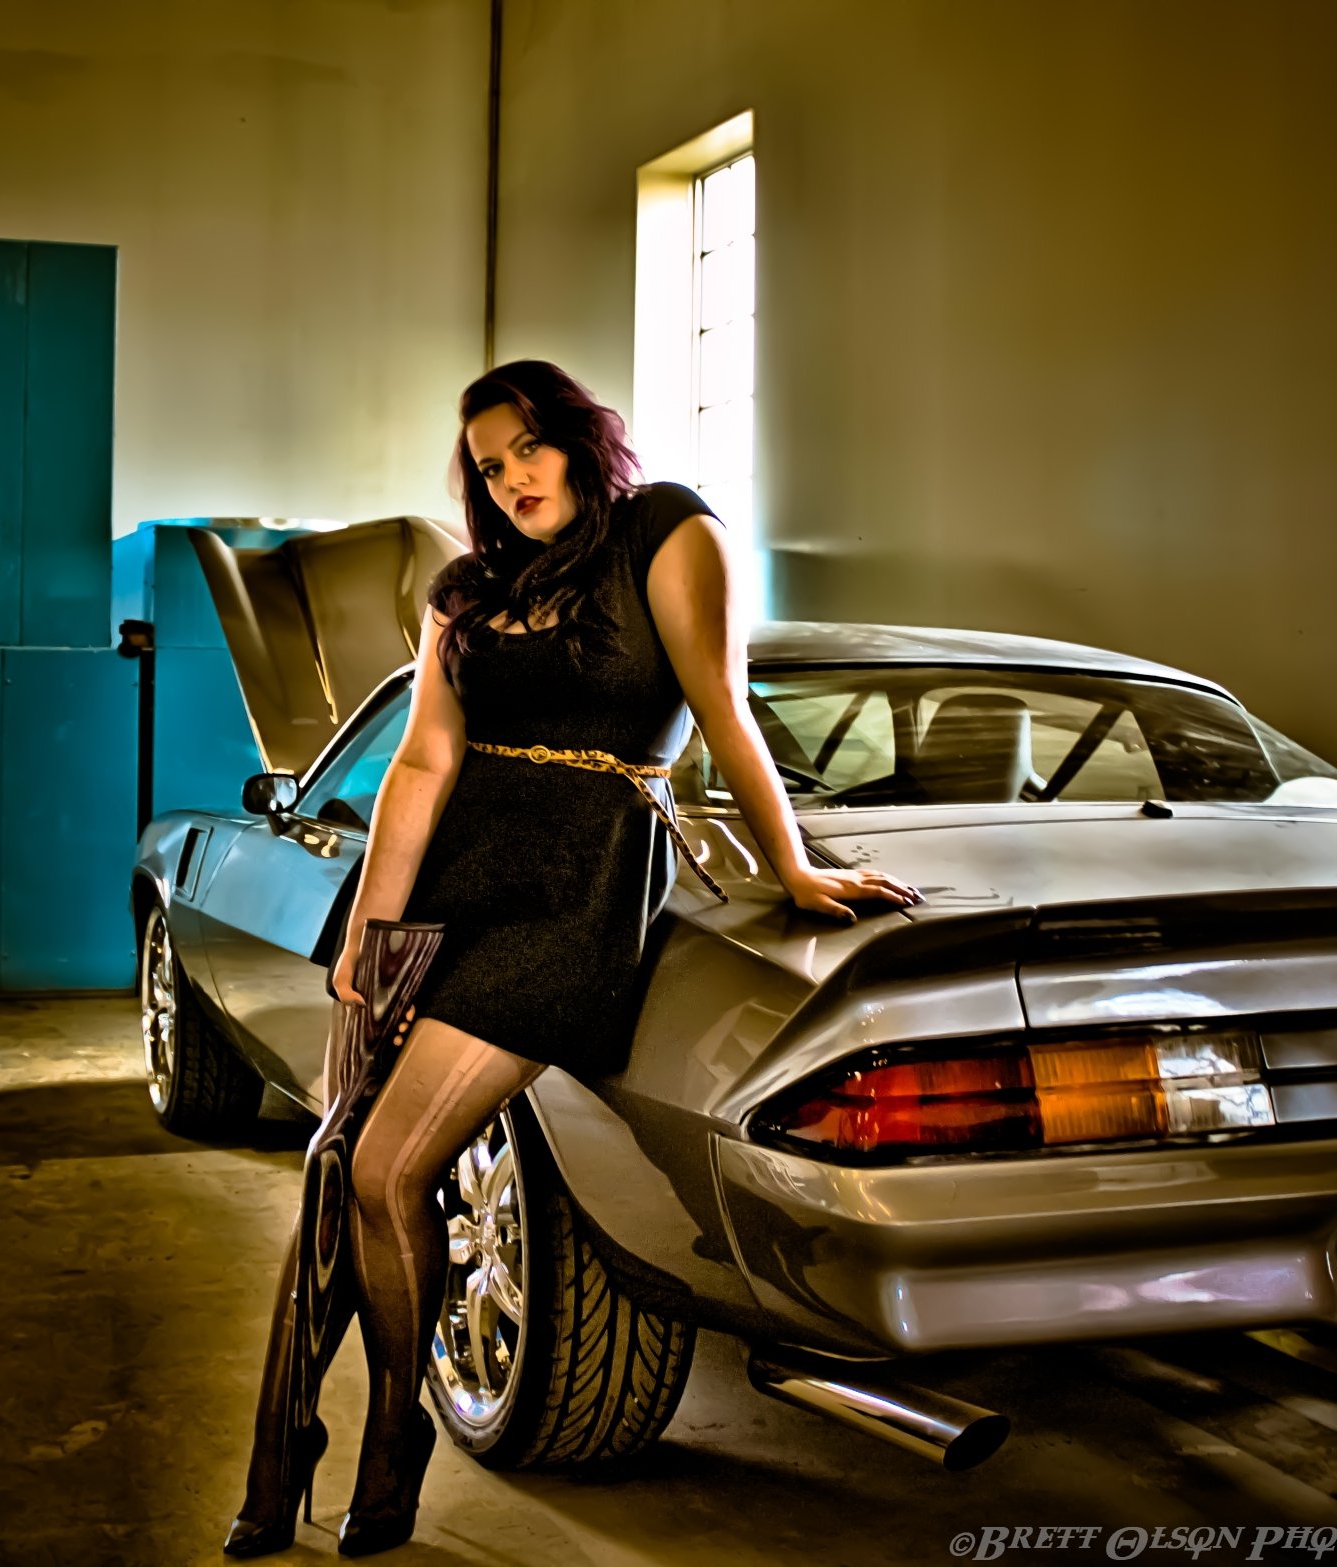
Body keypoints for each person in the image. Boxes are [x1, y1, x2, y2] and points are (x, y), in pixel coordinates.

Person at [225, 359, 921, 1558]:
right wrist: (368, 936)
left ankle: (398, 1433)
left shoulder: (664, 527)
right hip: (449, 887)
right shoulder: (466, 588)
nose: (510, 481)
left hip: (576, 892)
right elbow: (425, 764)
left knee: (388, 1171)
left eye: (527, 450)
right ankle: (289, 1448)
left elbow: (725, 706)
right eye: (488, 469)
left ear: (579, 438)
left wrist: (794, 866)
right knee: (340, 1168)